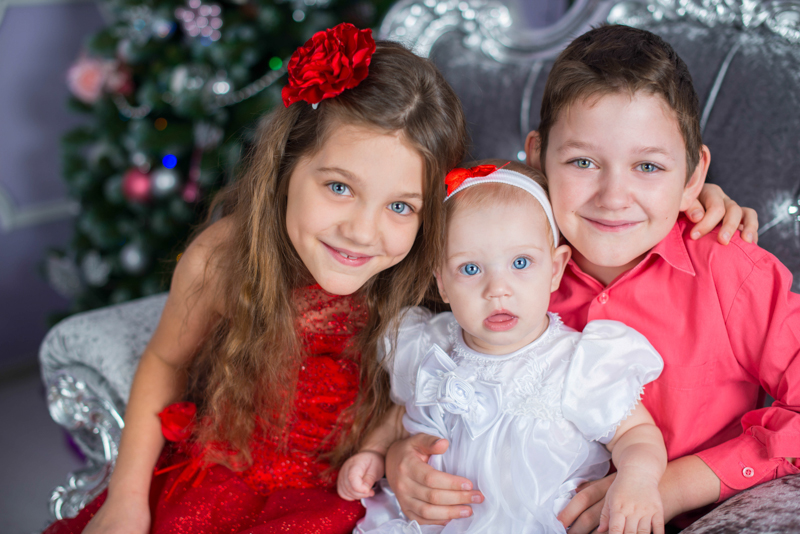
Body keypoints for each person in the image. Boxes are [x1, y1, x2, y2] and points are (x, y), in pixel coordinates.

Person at [44, 23, 469, 534]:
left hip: (352, 496)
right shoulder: (223, 258)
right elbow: (165, 359)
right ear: (288, 167)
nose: (361, 232)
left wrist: (393, 452)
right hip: (222, 481)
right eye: (339, 187)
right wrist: (127, 499)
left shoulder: (435, 275)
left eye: (400, 206)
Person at [383, 24, 799, 532]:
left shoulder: (729, 272)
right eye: (582, 161)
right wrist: (399, 456)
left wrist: (672, 486)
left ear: (693, 177)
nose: (613, 196)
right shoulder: (505, 260)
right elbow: (438, 379)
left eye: (648, 167)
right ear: (538, 159)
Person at [339, 161, 669, 534]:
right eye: (470, 269)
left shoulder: (578, 362)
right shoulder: (429, 345)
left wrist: (638, 480)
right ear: (442, 282)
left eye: (520, 263)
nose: (497, 289)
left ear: (555, 269)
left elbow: (636, 435)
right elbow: (402, 415)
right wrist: (374, 452)